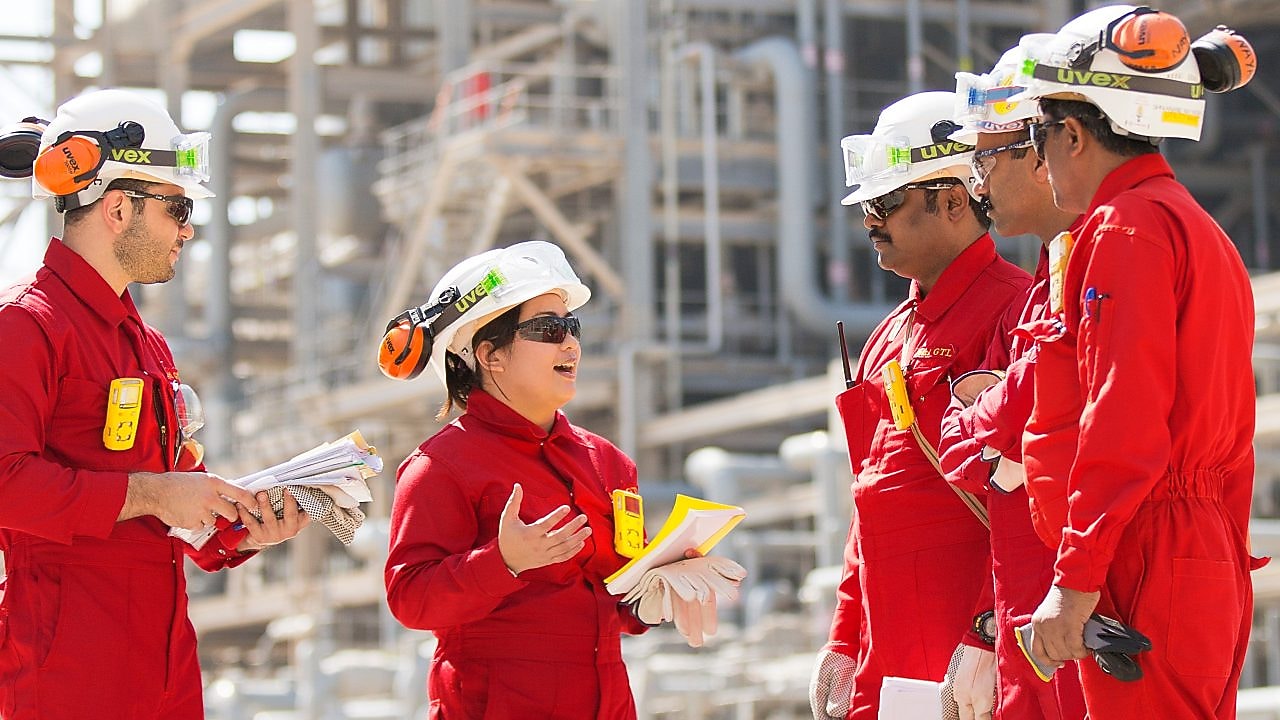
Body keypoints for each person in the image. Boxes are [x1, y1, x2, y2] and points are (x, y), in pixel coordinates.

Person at [0, 89, 309, 720]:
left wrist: (241, 527)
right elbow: (7, 482)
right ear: (117, 208)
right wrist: (150, 493)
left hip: (164, 673)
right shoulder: (24, 327)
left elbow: (174, 507)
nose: (188, 228)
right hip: (65, 677)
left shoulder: (147, 346)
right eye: (177, 206)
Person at [1006, 5, 1260, 718]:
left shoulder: (1126, 230)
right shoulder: (1193, 227)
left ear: (1075, 134)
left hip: (1144, 554)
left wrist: (1077, 580)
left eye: (1038, 134)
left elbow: (1122, 416)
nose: (1038, 158)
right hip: (1189, 550)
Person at [382, 241, 741, 719]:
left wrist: (651, 595)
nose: (571, 343)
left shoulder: (609, 464)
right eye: (548, 329)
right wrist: (502, 561)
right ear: (491, 354)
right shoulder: (439, 467)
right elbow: (409, 599)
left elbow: (608, 598)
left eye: (572, 327)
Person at [809, 91, 1031, 720]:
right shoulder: (887, 337)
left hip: (974, 658)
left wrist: (987, 632)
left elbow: (1033, 503)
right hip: (891, 663)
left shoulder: (1018, 315)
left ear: (955, 200)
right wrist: (845, 639)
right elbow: (869, 508)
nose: (869, 223)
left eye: (886, 203)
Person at [934, 51, 1087, 720]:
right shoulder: (1039, 296)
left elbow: (1009, 428)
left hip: (1073, 606)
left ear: (1042, 151)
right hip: (1028, 606)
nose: (978, 183)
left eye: (985, 161)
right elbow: (965, 454)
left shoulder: (1108, 259)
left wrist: (990, 417)